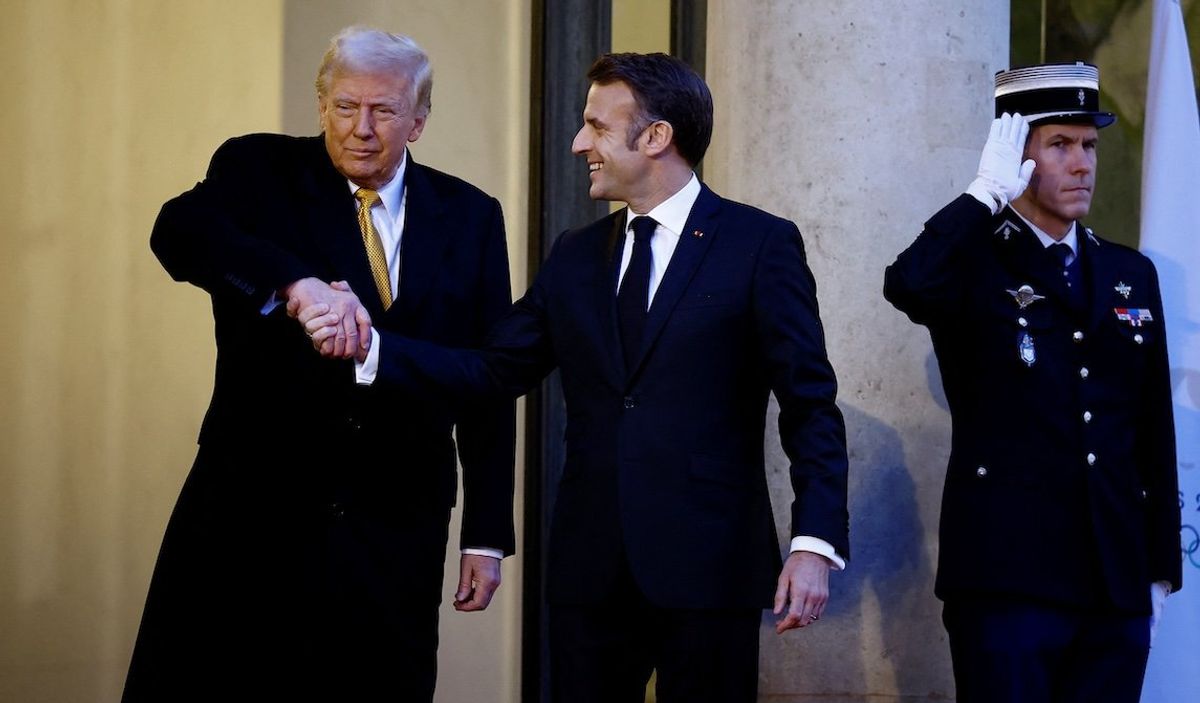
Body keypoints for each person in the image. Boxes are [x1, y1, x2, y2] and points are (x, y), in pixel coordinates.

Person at [303, 51, 849, 703]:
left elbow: (810, 405)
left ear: (655, 137)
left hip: (710, 567)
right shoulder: (575, 255)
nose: (578, 142)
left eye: (595, 125)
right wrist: (372, 347)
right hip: (589, 572)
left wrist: (814, 540)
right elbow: (492, 367)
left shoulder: (759, 244)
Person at [123, 27, 515, 702]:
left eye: (384, 111)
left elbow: (485, 379)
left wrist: (485, 532)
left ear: (418, 121)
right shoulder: (258, 172)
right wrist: (293, 285)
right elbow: (177, 231)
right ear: (321, 106)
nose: (361, 128)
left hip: (395, 528)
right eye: (344, 107)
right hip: (253, 519)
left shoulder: (472, 216)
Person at [884, 62, 1182, 703]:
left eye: (1091, 145)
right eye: (1060, 145)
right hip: (1009, 577)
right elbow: (907, 283)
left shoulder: (1129, 271)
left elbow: (1151, 423)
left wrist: (1158, 568)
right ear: (1016, 155)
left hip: (1114, 579)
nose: (1083, 164)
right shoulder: (971, 259)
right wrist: (981, 195)